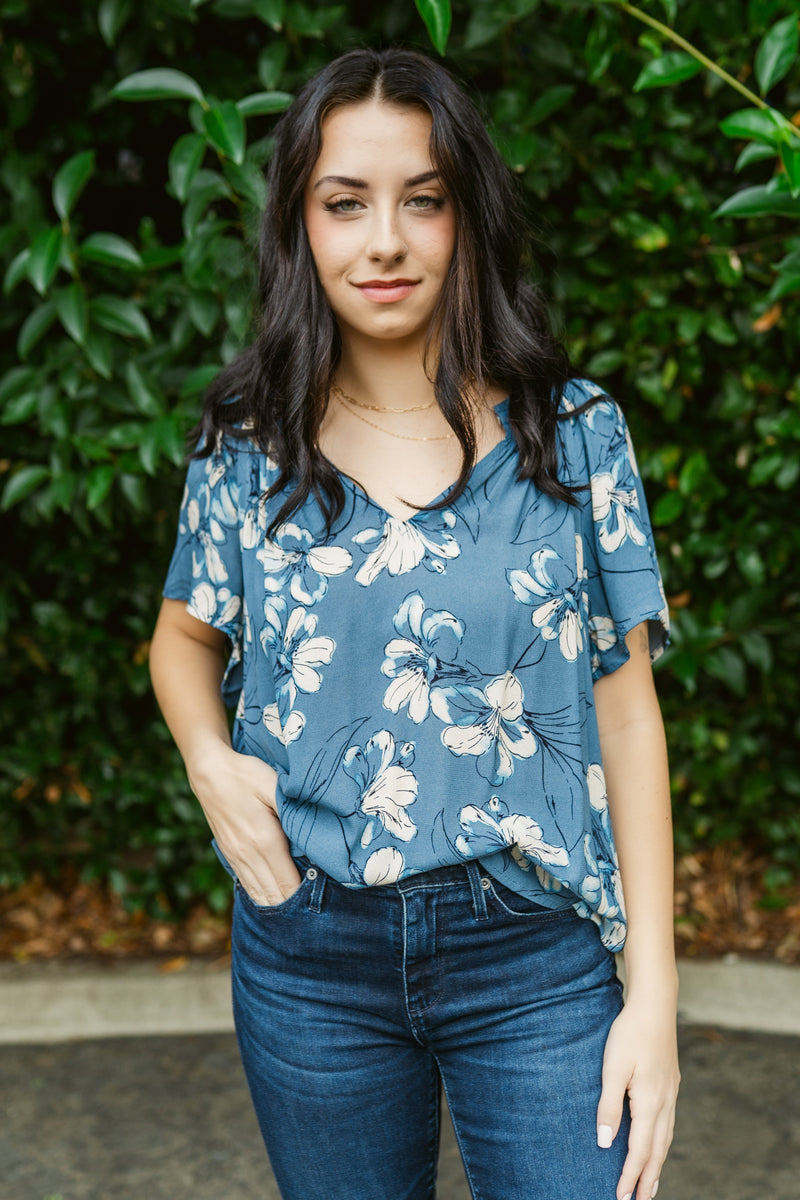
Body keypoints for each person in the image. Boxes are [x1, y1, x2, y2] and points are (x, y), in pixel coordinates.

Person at [149, 46, 679, 1200]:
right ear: (303, 226)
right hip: (309, 950)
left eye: (421, 200)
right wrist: (209, 763)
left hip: (537, 952)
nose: (382, 239)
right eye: (345, 203)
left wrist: (655, 1000)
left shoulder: (571, 435)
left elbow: (625, 710)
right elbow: (182, 637)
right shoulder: (247, 441)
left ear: (467, 219)